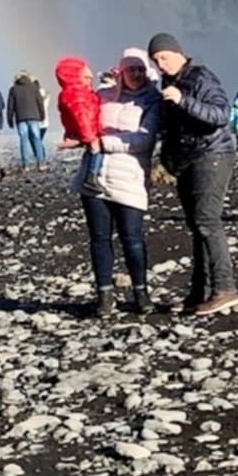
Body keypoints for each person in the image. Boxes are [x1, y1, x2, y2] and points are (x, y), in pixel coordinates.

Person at [148, 33, 238, 315]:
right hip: (187, 161)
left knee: (207, 221)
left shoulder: (201, 77)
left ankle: (225, 288)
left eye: (164, 57)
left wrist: (183, 101)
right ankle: (200, 292)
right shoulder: (168, 84)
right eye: (155, 61)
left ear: (178, 53)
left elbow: (221, 114)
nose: (160, 64)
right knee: (196, 224)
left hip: (212, 156)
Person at [83, 51, 160, 318]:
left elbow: (144, 140)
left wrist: (103, 142)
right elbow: (83, 118)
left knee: (132, 238)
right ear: (121, 71)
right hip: (95, 176)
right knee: (99, 239)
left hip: (129, 177)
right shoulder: (103, 95)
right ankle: (104, 294)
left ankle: (141, 292)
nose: (136, 74)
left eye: (141, 69)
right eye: (131, 69)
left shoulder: (152, 100)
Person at [55, 57, 105, 188]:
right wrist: (90, 137)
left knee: (94, 151)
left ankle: (91, 176)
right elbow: (82, 117)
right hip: (90, 132)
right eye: (86, 78)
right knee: (96, 150)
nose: (90, 80)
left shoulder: (75, 93)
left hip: (85, 132)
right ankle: (91, 177)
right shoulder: (77, 94)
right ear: (75, 77)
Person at [7, 70, 48, 169]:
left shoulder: (13, 89)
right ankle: (41, 162)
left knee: (23, 140)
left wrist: (10, 119)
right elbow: (40, 103)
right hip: (34, 117)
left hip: (20, 118)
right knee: (37, 139)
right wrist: (42, 116)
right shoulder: (34, 87)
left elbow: (10, 106)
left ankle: (26, 164)